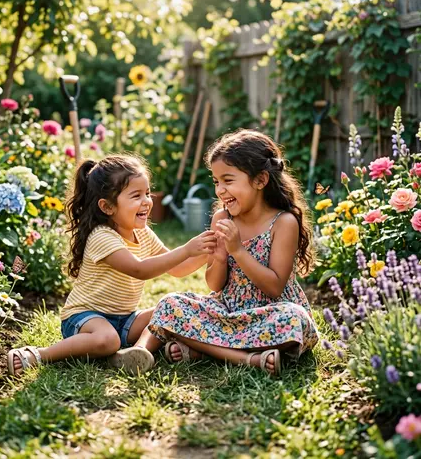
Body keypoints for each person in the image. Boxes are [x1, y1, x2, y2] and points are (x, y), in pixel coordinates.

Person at [7, 154, 216, 376]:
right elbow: (140, 269)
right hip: (85, 318)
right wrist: (186, 249)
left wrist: (209, 250)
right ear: (107, 207)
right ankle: (39, 355)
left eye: (147, 193)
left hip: (125, 320)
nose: (146, 201)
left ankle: (137, 352)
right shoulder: (102, 237)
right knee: (107, 339)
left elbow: (177, 269)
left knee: (168, 311)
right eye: (136, 195)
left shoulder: (143, 233)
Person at [135, 130, 319, 376]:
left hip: (269, 314)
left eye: (228, 180)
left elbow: (275, 287)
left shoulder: (283, 222)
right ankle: (250, 358)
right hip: (226, 311)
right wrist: (221, 257)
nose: (220, 190)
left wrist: (238, 251)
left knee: (294, 319)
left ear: (260, 180)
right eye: (216, 181)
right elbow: (214, 284)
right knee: (170, 304)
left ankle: (204, 349)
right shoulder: (222, 218)